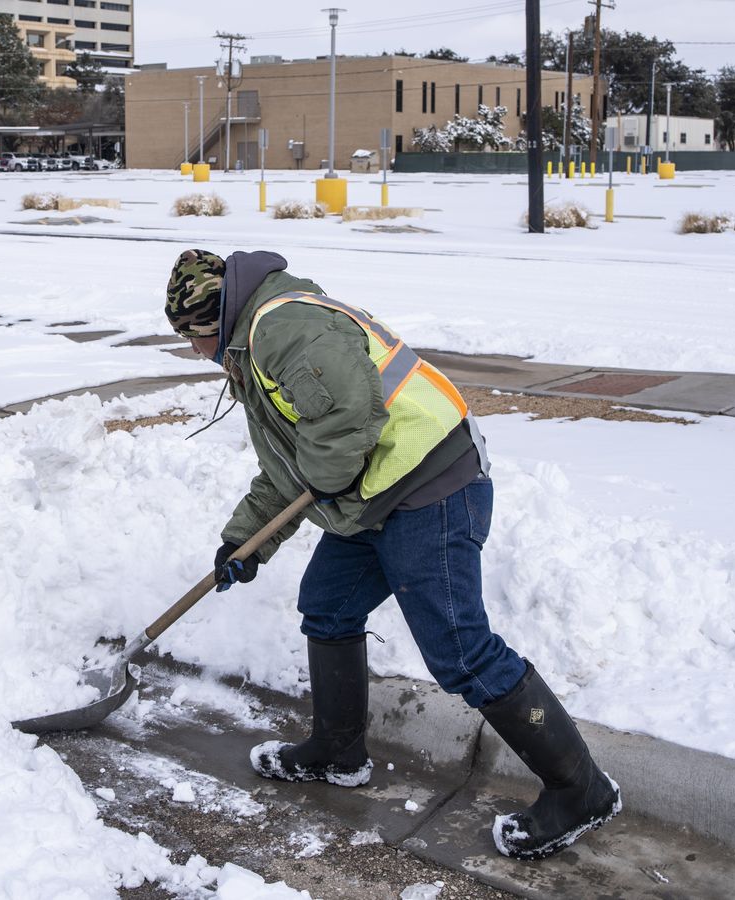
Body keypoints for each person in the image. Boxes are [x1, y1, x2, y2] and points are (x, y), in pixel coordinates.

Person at [162, 248, 621, 861]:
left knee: (459, 649)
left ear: (210, 323)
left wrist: (324, 480)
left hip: (430, 481)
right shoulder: (256, 340)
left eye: (192, 339)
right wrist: (244, 541)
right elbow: (291, 465)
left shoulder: (282, 327)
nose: (194, 353)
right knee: (327, 604)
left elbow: (347, 423)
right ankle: (337, 752)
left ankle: (581, 789)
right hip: (373, 491)